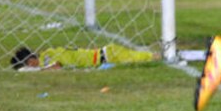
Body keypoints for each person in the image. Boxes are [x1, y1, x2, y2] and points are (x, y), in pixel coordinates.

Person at [10, 44, 158, 71]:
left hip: (108, 56)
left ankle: (171, 55)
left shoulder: (45, 59)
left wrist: (38, 72)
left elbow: (57, 67)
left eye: (27, 66)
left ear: (30, 61)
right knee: (144, 59)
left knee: (149, 58)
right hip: (106, 55)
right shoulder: (46, 53)